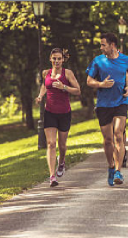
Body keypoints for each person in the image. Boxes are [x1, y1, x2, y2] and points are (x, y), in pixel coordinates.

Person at [86, 33, 128, 186]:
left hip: (121, 101)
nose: (101, 48)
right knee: (108, 140)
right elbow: (89, 81)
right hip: (103, 105)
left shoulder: (125, 60)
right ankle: (110, 166)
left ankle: (118, 171)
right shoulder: (98, 61)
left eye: (103, 45)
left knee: (118, 135)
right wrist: (101, 84)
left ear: (112, 45)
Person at [35, 48, 81, 187]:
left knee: (62, 145)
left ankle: (61, 162)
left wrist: (63, 87)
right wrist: (40, 96)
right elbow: (45, 86)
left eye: (59, 58)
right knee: (51, 144)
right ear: (50, 59)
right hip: (50, 112)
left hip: (64, 113)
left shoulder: (67, 73)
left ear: (63, 59)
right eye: (54, 58)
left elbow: (78, 90)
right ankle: (52, 176)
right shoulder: (46, 73)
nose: (56, 61)